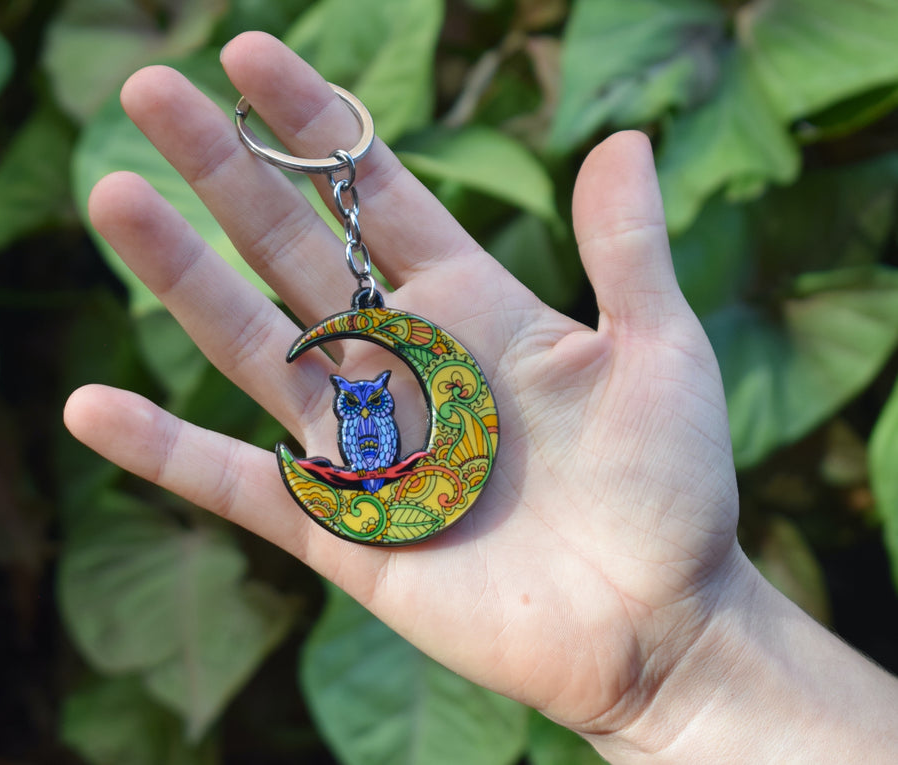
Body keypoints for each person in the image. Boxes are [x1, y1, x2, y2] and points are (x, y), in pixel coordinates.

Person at [63, 32, 898, 763]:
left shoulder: (423, 401)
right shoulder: (383, 414)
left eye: (368, 408)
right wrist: (678, 675)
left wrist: (686, 654)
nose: (366, 413)